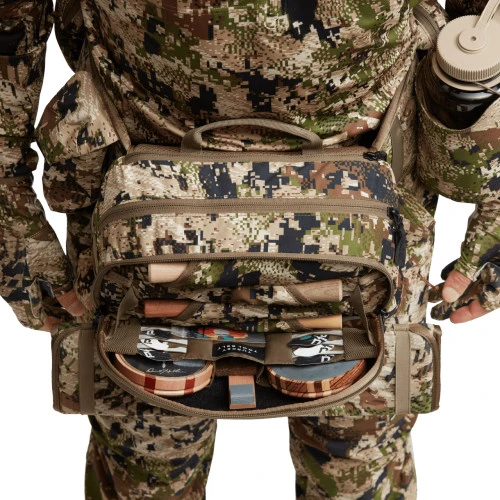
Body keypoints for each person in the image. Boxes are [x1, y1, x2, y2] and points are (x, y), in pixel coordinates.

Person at [0, 0, 498, 498]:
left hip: (368, 182)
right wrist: (8, 206)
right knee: (146, 468)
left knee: (357, 467)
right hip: (137, 182)